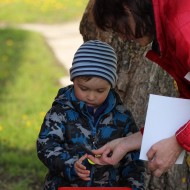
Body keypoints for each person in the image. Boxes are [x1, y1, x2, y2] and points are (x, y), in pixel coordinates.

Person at [87, 0, 190, 177]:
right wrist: (127, 143)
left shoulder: (182, 26)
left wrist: (178, 142)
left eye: (117, 26)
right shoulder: (169, 23)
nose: (122, 37)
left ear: (127, 6)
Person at [37, 40, 145, 190]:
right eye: (84, 88)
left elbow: (133, 157)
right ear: (73, 79)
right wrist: (69, 165)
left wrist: (134, 185)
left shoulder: (122, 116)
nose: (91, 96)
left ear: (111, 86)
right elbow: (46, 146)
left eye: (100, 91)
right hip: (65, 187)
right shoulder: (60, 112)